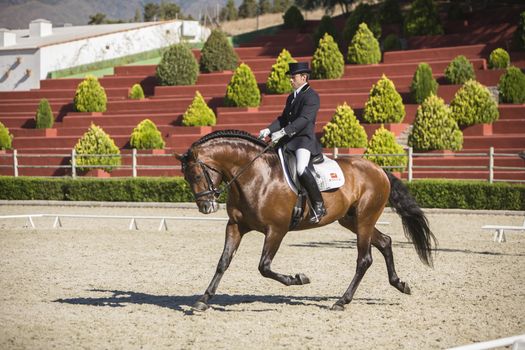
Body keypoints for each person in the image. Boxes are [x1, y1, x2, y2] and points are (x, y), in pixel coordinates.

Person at [258, 62, 327, 223]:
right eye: (290, 77)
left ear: (303, 77)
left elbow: (304, 119)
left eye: (293, 77)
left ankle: (319, 205)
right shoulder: (292, 97)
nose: (290, 80)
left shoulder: (312, 96)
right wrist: (268, 130)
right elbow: (283, 119)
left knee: (301, 168)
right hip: (289, 141)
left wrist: (284, 132)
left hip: (304, 141)